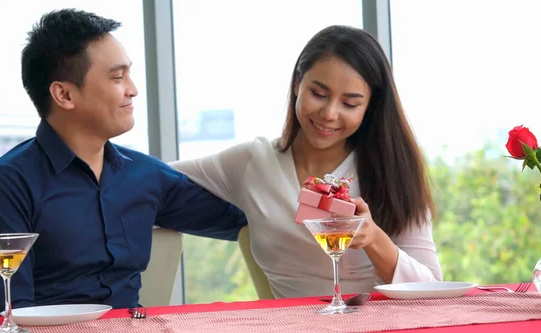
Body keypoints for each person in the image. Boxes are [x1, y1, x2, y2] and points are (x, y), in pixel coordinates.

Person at [0, 9, 247, 317]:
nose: (133, 89)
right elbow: (8, 316)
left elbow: (247, 219)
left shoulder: (144, 174)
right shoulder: (4, 187)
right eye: (117, 76)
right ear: (64, 94)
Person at [170, 25, 442, 298]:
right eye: (319, 94)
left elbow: (431, 289)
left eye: (349, 104)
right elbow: (152, 177)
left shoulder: (392, 169)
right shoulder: (254, 162)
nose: (329, 113)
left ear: (369, 106)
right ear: (298, 83)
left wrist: (373, 238)